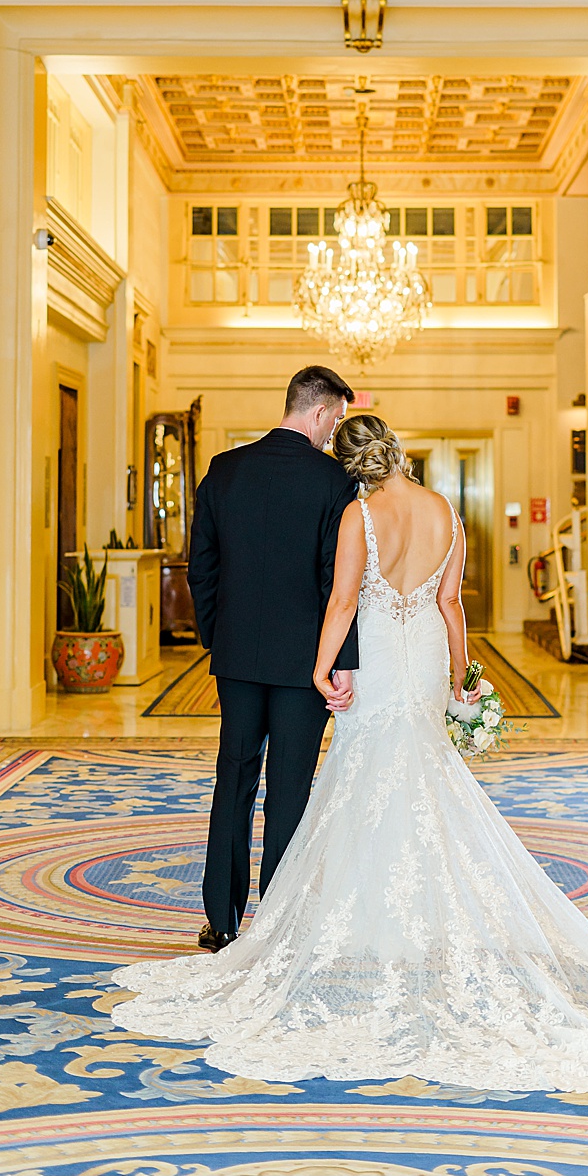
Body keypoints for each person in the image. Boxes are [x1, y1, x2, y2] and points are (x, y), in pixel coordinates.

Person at [112, 414, 588, 1092]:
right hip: (423, 663)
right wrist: (463, 675)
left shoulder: (360, 517)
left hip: (377, 659)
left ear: (351, 468)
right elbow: (450, 603)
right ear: (398, 453)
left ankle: (366, 923)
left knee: (364, 780)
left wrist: (323, 667)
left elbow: (345, 599)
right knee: (423, 775)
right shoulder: (445, 511)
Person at [188, 364, 359, 953]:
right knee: (290, 788)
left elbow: (201, 567)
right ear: (318, 413)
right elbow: (336, 584)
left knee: (232, 779)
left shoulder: (223, 471)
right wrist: (341, 660)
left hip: (236, 658)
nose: (334, 433)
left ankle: (221, 921)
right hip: (302, 666)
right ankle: (280, 923)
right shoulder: (333, 483)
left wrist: (218, 636)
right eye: (335, 421)